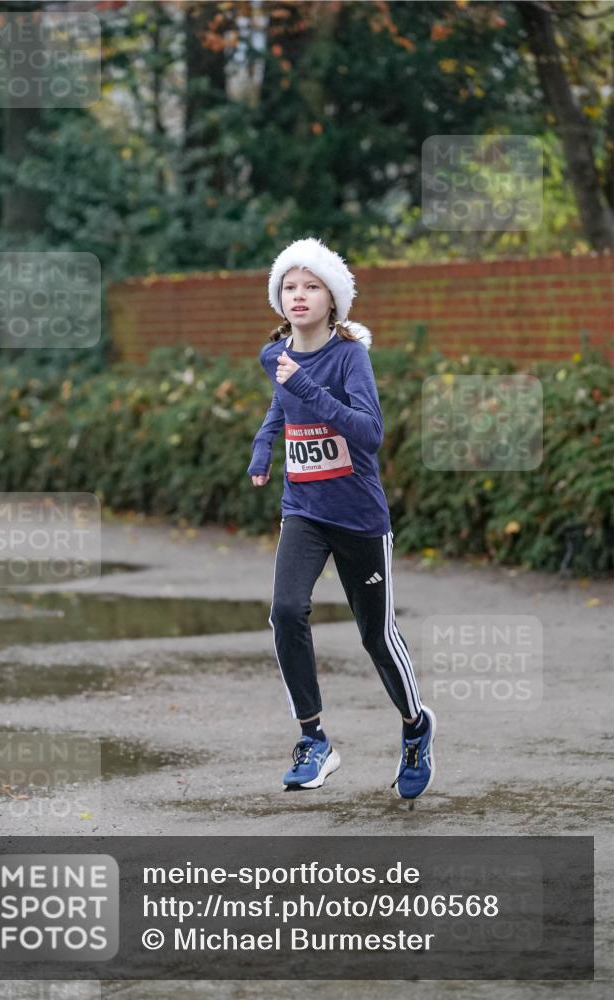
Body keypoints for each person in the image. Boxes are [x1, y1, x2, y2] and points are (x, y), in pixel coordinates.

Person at [247, 236, 435, 801]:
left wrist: (304, 385)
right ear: (279, 299)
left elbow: (370, 433)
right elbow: (282, 406)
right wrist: (263, 446)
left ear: (333, 301)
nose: (298, 295)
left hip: (358, 518)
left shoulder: (350, 357)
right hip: (303, 510)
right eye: (289, 286)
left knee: (376, 636)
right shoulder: (275, 354)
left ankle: (415, 726)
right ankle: (314, 739)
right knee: (285, 612)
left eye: (311, 286)